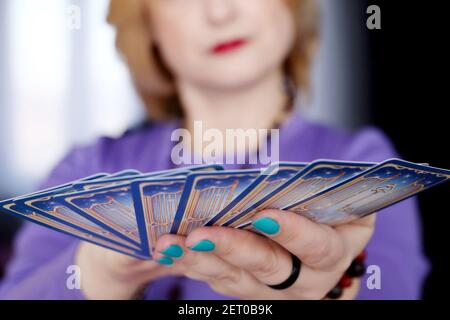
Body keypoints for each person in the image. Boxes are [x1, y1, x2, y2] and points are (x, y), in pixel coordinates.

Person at [0, 0, 428, 300]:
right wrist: (102, 270)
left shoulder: (364, 163)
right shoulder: (89, 167)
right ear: (147, 27)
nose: (220, 11)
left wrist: (336, 292)